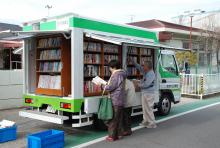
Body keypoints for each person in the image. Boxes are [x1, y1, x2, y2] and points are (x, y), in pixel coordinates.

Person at [100, 60, 127, 142]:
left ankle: (112, 136)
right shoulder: (122, 73)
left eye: (110, 67)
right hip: (120, 99)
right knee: (118, 118)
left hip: (115, 99)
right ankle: (119, 134)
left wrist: (101, 85)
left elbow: (111, 86)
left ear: (113, 67)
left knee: (113, 119)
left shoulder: (116, 75)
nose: (109, 69)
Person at [132, 60, 157, 128]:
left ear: (147, 67)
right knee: (145, 108)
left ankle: (152, 123)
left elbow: (146, 84)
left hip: (149, 93)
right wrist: (133, 62)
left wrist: (138, 85)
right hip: (145, 92)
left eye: (144, 65)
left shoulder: (151, 73)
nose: (143, 67)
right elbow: (139, 68)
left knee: (149, 108)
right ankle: (146, 121)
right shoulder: (146, 72)